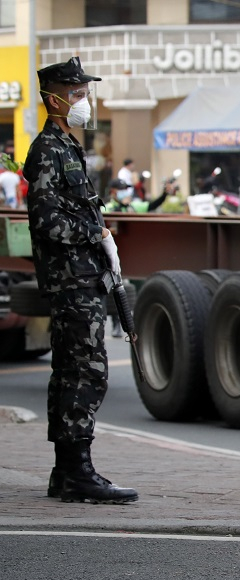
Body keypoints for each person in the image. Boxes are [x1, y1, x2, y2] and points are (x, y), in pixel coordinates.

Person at [22, 56, 138, 504]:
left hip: (83, 278)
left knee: (74, 371)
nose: (83, 100)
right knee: (85, 372)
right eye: (75, 92)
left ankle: (68, 471)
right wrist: (97, 234)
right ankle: (76, 472)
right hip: (71, 281)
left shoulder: (67, 146)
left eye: (84, 92)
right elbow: (48, 220)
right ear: (53, 98)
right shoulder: (49, 149)